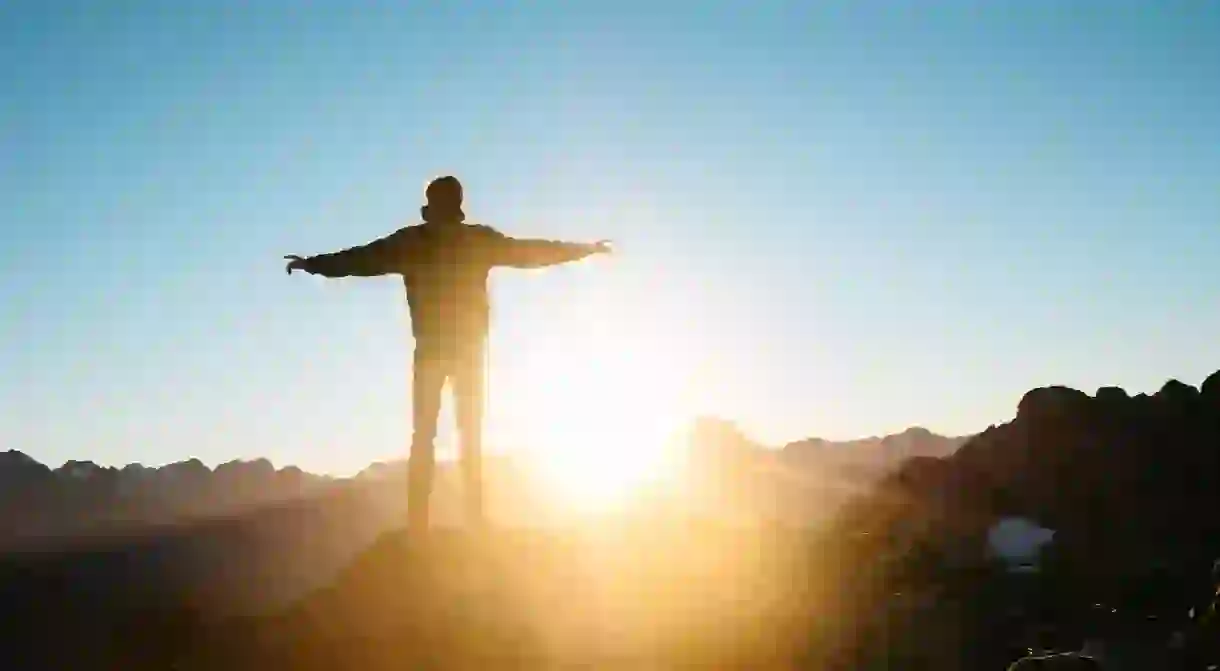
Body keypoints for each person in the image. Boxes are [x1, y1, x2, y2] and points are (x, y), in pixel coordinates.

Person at [285, 176, 611, 531]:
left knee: (425, 435)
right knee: (469, 434)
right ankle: (473, 520)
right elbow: (531, 252)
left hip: (431, 351)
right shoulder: (475, 240)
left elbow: (360, 259)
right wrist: (585, 249)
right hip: (467, 352)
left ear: (431, 205)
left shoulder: (413, 242)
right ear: (458, 205)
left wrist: (313, 264)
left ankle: (419, 524)